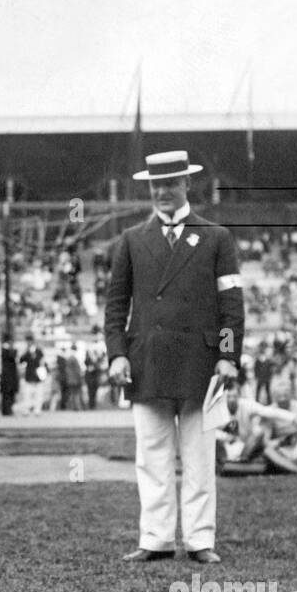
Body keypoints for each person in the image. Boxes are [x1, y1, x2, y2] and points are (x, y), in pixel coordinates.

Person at [105, 150, 244, 565]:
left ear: (187, 184)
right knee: (152, 456)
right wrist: (116, 355)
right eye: (155, 185)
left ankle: (200, 539)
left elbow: (231, 305)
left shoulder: (217, 237)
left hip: (200, 364)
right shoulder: (131, 239)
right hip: (146, 361)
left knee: (199, 457)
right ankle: (157, 539)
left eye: (170, 183)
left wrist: (227, 355)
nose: (163, 192)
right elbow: (115, 306)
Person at [17, 334, 46, 416]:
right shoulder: (26, 352)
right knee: (27, 395)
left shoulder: (39, 351)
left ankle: (37, 410)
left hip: (37, 376)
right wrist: (26, 352)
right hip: (29, 376)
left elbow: (42, 362)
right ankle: (26, 410)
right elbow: (21, 361)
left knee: (38, 395)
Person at [0, 334, 19, 416]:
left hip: (10, 377)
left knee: (10, 395)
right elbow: (11, 357)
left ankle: (8, 410)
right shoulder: (6, 350)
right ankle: (7, 410)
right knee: (7, 395)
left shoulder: (7, 350)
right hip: (7, 378)